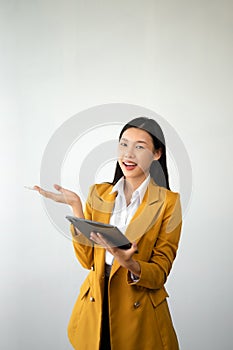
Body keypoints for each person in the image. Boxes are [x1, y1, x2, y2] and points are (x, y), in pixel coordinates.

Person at [34, 117, 182, 350]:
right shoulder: (99, 193)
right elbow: (86, 261)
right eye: (123, 144)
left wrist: (131, 264)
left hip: (139, 313)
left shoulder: (169, 203)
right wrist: (76, 207)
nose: (128, 154)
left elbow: (161, 272)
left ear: (157, 154)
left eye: (139, 146)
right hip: (97, 307)